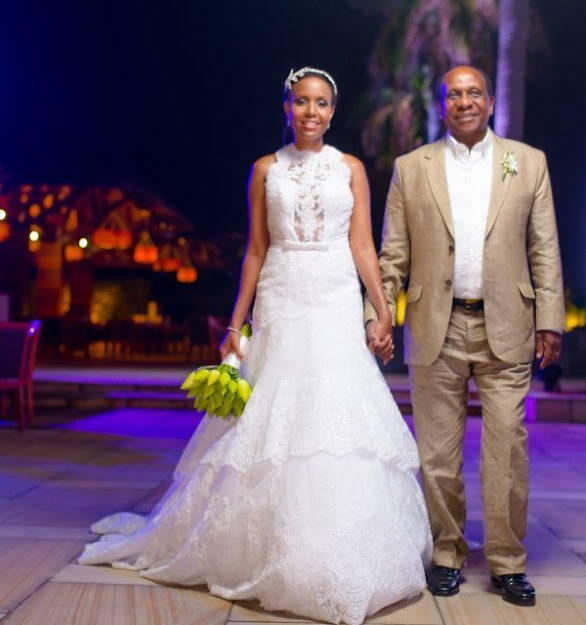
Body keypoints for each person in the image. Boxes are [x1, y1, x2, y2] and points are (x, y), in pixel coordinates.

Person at [79, 67, 432, 625]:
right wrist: (236, 326)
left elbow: (363, 244)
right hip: (283, 298)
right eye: (301, 102)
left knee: (337, 417)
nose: (311, 112)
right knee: (271, 420)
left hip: (337, 298)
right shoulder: (265, 170)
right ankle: (266, 551)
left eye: (321, 103)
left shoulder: (353, 170)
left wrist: (383, 312)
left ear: (333, 111)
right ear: (287, 107)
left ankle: (346, 554)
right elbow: (253, 250)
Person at [365, 65, 565, 606]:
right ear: (442, 106)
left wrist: (551, 317)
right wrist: (378, 314)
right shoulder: (413, 167)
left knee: (507, 447)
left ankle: (507, 562)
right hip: (437, 325)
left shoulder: (527, 162)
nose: (464, 101)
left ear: (491, 102)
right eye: (454, 94)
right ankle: (447, 553)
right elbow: (393, 254)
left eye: (474, 92)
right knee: (437, 453)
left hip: (508, 324)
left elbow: (543, 246)